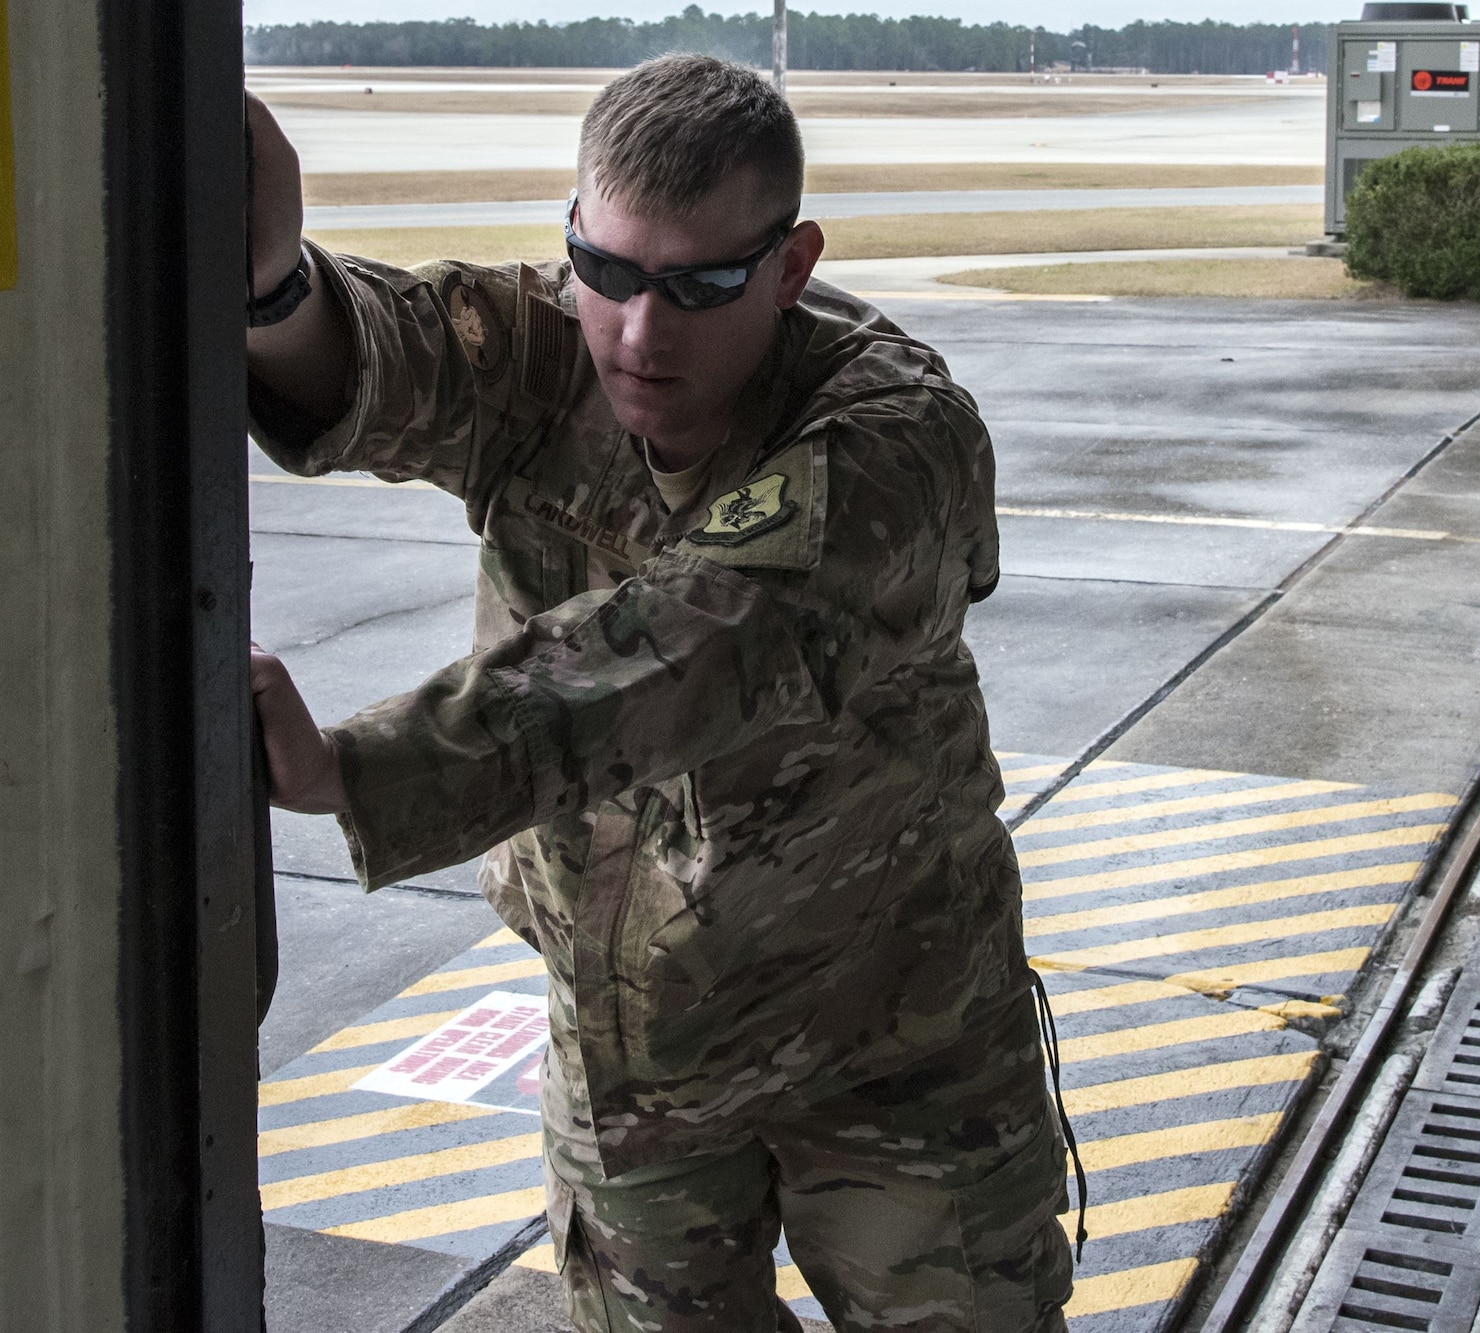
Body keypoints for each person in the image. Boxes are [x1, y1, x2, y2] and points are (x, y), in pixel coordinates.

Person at [244, 55, 1075, 1333]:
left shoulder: (893, 436)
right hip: (635, 1053)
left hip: (893, 1038)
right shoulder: (549, 341)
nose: (638, 332)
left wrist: (359, 771)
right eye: (609, 272)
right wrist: (271, 279)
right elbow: (385, 355)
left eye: (698, 287)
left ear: (791, 267)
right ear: (573, 236)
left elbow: (688, 642)